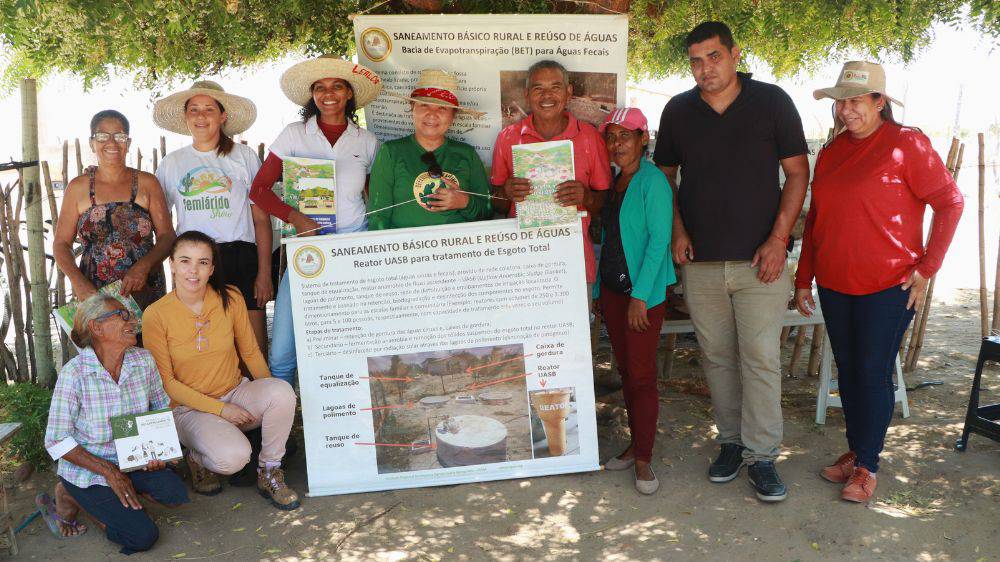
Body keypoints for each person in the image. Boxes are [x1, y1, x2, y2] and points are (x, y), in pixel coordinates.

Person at [653, 21, 810, 502]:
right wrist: (678, 230)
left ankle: (762, 457)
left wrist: (778, 240)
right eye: (696, 61)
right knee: (718, 358)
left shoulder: (772, 101)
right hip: (701, 263)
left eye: (713, 57)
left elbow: (798, 174)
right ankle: (731, 442)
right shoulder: (678, 110)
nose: (705, 69)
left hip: (759, 260)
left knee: (760, 358)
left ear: (734, 54)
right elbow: (666, 178)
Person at [795, 61, 964, 503]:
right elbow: (816, 220)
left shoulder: (907, 143)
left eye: (855, 101)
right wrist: (803, 278)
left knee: (871, 372)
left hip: (888, 287)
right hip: (835, 285)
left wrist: (927, 268)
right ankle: (857, 450)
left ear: (879, 102)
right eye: (840, 102)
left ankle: (869, 466)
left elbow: (950, 202)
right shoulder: (831, 152)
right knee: (850, 373)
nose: (846, 110)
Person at [249, 55, 383, 387]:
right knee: (281, 352)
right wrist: (295, 217)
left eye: (337, 86)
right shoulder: (295, 134)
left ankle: (340, 422)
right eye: (320, 87)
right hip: (307, 250)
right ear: (312, 94)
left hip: (352, 249)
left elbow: (376, 199)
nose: (328, 94)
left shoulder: (366, 142)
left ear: (349, 93)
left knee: (348, 343)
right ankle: (283, 430)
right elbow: (259, 190)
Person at [142, 231, 300, 510]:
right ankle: (195, 458)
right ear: (172, 265)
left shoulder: (230, 297)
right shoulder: (156, 314)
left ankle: (269, 470)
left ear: (212, 268)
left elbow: (250, 352)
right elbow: (166, 383)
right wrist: (220, 409)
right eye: (185, 261)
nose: (194, 270)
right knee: (234, 458)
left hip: (235, 393)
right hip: (188, 409)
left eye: (203, 262)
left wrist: (269, 401)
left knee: (282, 392)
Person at [41, 294, 189, 554]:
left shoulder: (143, 360)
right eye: (122, 315)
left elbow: (160, 409)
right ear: (96, 328)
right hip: (90, 469)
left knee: (174, 493)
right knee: (142, 537)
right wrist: (110, 472)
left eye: (131, 314)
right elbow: (56, 440)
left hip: (133, 459)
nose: (132, 320)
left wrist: (159, 451)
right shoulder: (75, 374)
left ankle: (117, 497)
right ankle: (70, 492)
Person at [153, 81, 273, 353]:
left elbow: (262, 220)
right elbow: (153, 210)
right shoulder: (172, 163)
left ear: (223, 115)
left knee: (252, 346)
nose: (201, 115)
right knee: (204, 345)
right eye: (193, 109)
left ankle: (262, 393)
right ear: (186, 117)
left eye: (209, 109)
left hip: (241, 256)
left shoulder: (243, 157)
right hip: (194, 262)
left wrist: (264, 272)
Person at [593, 108, 675, 495]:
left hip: (640, 296)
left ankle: (643, 459)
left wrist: (640, 296)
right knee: (626, 372)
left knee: (641, 377)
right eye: (611, 136)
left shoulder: (652, 181)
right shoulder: (614, 181)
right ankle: (634, 445)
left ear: (644, 138)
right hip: (612, 291)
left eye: (626, 135)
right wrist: (598, 292)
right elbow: (607, 240)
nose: (618, 143)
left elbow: (660, 242)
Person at [491, 60, 611, 293]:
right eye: (538, 88)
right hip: (521, 264)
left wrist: (586, 197)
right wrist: (506, 192)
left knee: (574, 330)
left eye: (555, 87)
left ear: (568, 93)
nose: (547, 95)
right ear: (527, 95)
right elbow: (495, 201)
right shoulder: (507, 138)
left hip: (573, 261)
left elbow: (604, 200)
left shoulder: (589, 138)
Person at [53, 110, 174, 309]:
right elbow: (60, 244)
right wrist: (78, 282)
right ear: (92, 143)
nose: (111, 142)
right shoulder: (78, 188)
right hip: (94, 291)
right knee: (104, 339)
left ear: (128, 142)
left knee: (149, 340)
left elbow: (167, 236)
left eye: (119, 136)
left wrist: (144, 267)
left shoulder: (147, 183)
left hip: (145, 289)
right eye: (102, 136)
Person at [368, 68, 493, 230]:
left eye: (442, 108)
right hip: (406, 250)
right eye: (424, 105)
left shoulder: (466, 154)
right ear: (412, 107)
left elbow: (487, 212)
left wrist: (465, 202)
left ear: (453, 115)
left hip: (458, 251)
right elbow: (379, 215)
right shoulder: (391, 152)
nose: (432, 114)